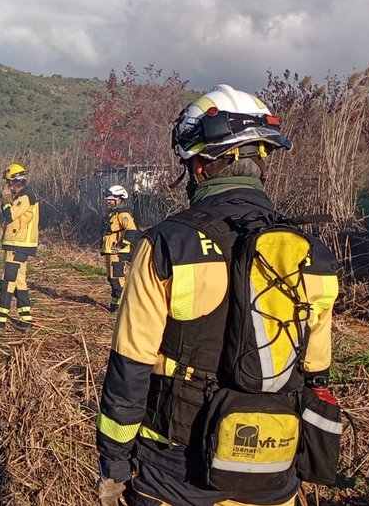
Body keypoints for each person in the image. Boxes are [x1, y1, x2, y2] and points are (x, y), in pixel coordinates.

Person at [95, 85, 340, 506]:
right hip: (273, 471)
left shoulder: (169, 244)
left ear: (202, 166)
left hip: (173, 475)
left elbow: (130, 367)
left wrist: (115, 465)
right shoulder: (310, 254)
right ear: (260, 162)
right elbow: (316, 373)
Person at [0, 163, 39, 334]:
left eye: (8, 183)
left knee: (8, 282)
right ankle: (26, 321)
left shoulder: (25, 197)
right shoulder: (25, 196)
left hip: (18, 244)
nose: (7, 187)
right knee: (20, 282)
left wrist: (5, 198)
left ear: (14, 181)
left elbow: (10, 215)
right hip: (21, 244)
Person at [101, 185, 139, 312]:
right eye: (108, 198)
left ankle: (121, 307)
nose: (108, 200)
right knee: (112, 279)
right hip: (110, 252)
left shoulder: (123, 214)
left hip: (117, 252)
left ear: (120, 198)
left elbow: (132, 230)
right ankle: (115, 305)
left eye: (111, 198)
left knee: (117, 280)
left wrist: (120, 246)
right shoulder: (114, 213)